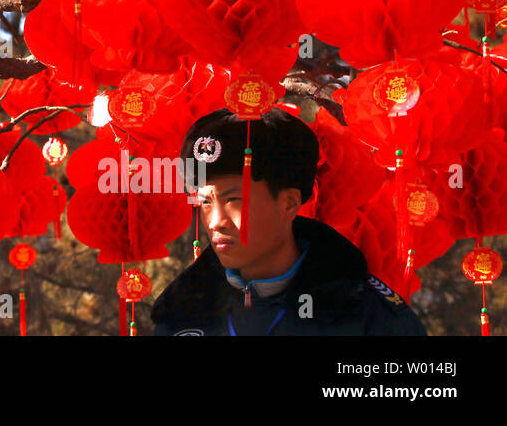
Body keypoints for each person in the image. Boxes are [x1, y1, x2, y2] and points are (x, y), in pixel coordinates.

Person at [151, 107, 427, 336]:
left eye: (234, 200)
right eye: (206, 202)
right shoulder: (180, 315)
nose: (216, 222)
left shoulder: (367, 313)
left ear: (289, 203)